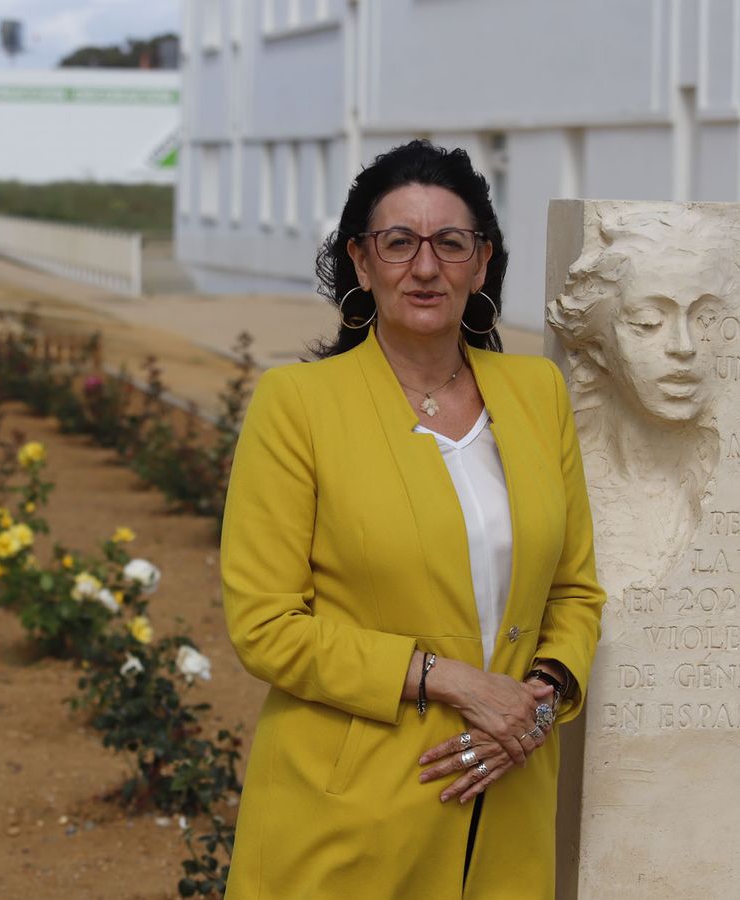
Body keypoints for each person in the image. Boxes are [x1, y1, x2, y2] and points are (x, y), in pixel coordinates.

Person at [220, 140, 606, 899]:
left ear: (483, 262)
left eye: (450, 243)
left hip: (509, 793)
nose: (425, 268)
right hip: (351, 809)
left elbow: (575, 591)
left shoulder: (538, 394)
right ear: (362, 263)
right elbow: (265, 623)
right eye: (399, 242)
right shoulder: (297, 407)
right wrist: (458, 682)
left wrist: (536, 703)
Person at [546, 207, 736, 594]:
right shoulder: (564, 486)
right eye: (648, 322)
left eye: (707, 320)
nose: (684, 347)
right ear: (598, 347)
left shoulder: (735, 485)